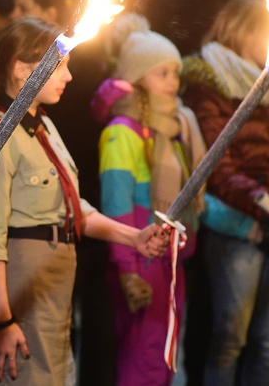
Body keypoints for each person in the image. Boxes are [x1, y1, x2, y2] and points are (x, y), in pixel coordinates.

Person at [0, 17, 169, 385]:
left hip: (56, 280)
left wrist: (134, 237)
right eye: (61, 65)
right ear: (21, 68)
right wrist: (1, 318)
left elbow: (73, 205)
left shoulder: (43, 125)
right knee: (23, 375)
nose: (69, 76)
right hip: (23, 278)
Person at [180, 0, 269, 386]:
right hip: (238, 227)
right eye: (268, 32)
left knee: (267, 344)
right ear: (243, 33)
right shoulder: (211, 82)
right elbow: (216, 162)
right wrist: (264, 204)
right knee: (229, 340)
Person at [92, 30, 206, 386]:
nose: (174, 81)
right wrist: (128, 270)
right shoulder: (121, 132)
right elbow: (116, 206)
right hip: (140, 261)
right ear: (137, 77)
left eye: (175, 72)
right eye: (162, 73)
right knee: (142, 355)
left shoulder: (168, 131)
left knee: (163, 354)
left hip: (169, 261)